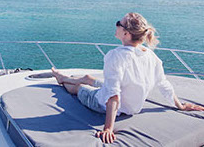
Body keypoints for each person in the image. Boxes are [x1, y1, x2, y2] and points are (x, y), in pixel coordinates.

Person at [52, 12, 204, 144]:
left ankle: (63, 80)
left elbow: (113, 96)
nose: (116, 25)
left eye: (119, 23)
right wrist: (180, 106)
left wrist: (108, 128)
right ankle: (82, 78)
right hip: (130, 105)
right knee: (93, 80)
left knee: (79, 89)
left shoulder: (115, 56)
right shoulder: (150, 55)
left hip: (102, 103)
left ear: (126, 33)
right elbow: (163, 84)